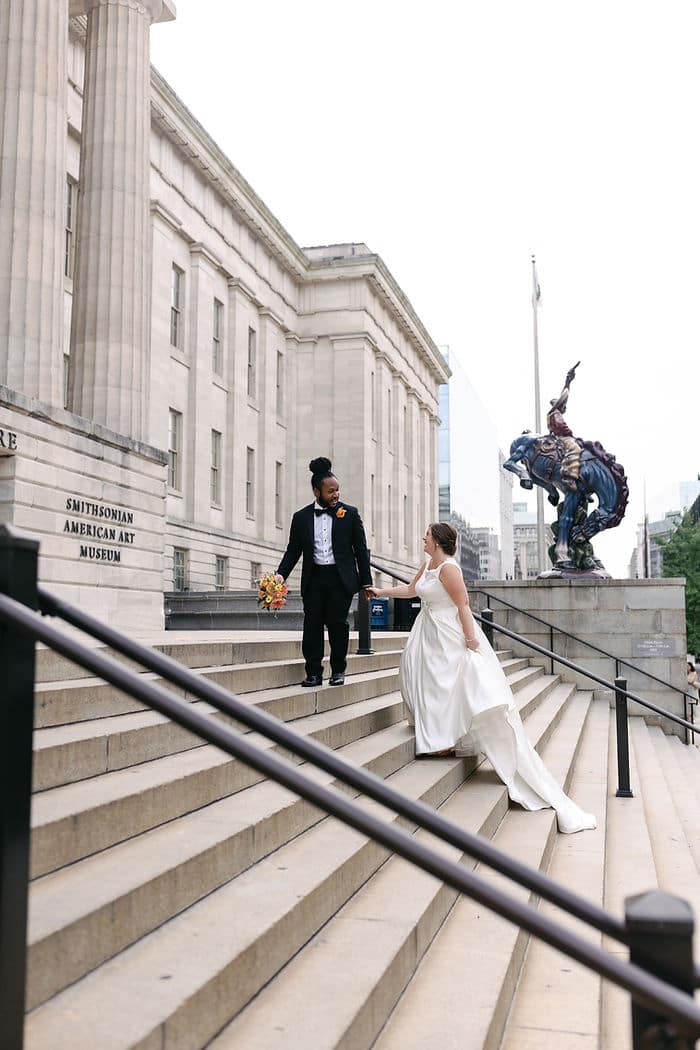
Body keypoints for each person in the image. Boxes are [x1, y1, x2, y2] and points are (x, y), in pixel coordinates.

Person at [367, 522, 597, 834]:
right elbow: (410, 590)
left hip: (449, 634)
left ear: (437, 542)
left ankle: (443, 740)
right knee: (427, 684)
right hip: (427, 633)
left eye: (427, 536)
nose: (422, 538)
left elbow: (462, 605)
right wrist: (381, 591)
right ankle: (440, 737)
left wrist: (471, 640)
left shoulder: (449, 568)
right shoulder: (427, 564)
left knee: (450, 687)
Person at [277, 457, 372, 688]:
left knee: (338, 625)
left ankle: (338, 670)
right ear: (316, 491)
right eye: (331, 491)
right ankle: (314, 673)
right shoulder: (300, 518)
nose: (335, 495)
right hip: (314, 579)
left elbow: (360, 549)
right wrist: (280, 575)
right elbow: (293, 550)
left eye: (337, 490)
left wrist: (366, 582)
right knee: (312, 626)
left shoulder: (350, 514)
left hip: (341, 579)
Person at [546, 362, 583, 491]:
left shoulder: (555, 412)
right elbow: (561, 427)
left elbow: (564, 394)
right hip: (561, 437)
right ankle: (569, 476)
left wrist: (568, 381)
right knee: (574, 448)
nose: (565, 406)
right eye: (562, 404)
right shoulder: (555, 414)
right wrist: (570, 432)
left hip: (561, 436)